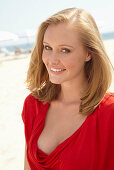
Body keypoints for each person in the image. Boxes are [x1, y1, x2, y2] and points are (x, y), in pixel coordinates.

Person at [21, 8, 114, 170]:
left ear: (89, 53)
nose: (52, 60)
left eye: (65, 50)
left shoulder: (110, 112)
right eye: (48, 47)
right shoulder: (33, 105)